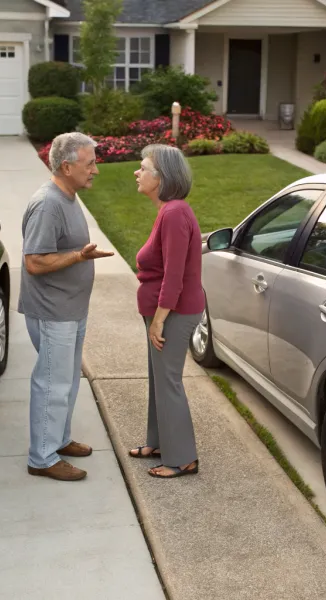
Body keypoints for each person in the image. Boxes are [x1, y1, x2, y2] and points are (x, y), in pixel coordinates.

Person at [19, 132, 114, 482]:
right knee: (51, 383)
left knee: (67, 381)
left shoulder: (68, 197)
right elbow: (34, 262)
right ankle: (41, 458)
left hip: (71, 310)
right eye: (90, 164)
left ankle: (56, 440)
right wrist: (78, 256)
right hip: (52, 312)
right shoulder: (48, 204)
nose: (96, 170)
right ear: (67, 165)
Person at [128, 144, 205, 479]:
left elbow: (174, 275)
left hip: (173, 313)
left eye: (143, 168)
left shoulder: (174, 214)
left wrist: (159, 320)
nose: (137, 172)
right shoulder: (169, 211)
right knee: (160, 379)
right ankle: (159, 443)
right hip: (165, 311)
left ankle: (182, 458)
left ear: (161, 178)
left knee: (169, 381)